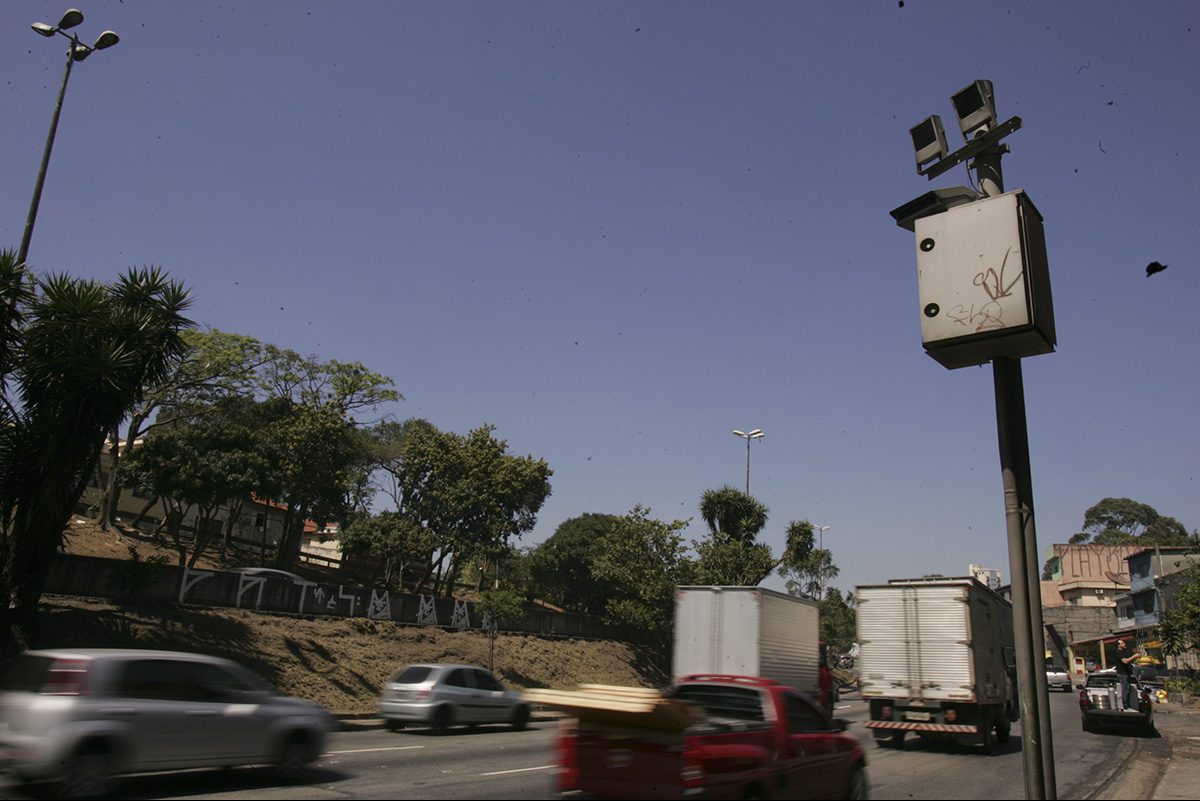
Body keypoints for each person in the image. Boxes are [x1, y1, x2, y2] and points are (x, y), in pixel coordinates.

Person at [1115, 638, 1139, 711]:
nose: (1124, 644)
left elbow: (1129, 659)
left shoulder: (1124, 651)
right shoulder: (1118, 652)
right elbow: (1125, 661)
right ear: (1119, 645)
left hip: (1127, 673)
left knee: (1128, 689)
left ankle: (1128, 704)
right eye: (1122, 643)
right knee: (1125, 689)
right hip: (1122, 673)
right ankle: (1125, 705)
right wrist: (1134, 656)